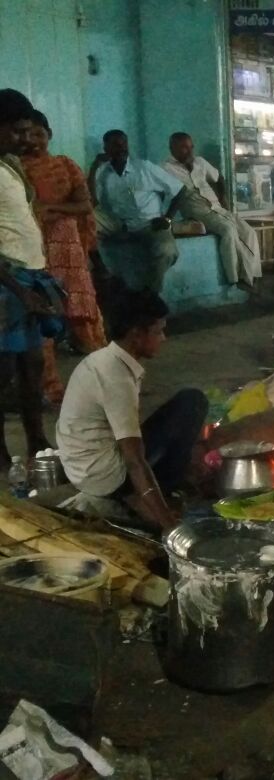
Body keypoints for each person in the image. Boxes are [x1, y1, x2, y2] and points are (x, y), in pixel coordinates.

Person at [57, 287, 205, 531]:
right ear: (136, 334)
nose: (164, 338)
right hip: (104, 479)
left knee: (186, 403)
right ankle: (158, 493)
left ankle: (157, 492)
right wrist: (169, 525)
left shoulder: (105, 359)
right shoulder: (116, 378)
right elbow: (134, 460)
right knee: (191, 403)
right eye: (158, 331)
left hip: (84, 467)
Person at [21, 110, 107, 405]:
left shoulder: (66, 165)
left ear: (50, 135)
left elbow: (84, 205)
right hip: (36, 254)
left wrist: (52, 210)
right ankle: (50, 389)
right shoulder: (15, 170)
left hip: (70, 253)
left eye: (39, 134)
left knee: (85, 317)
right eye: (27, 135)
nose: (33, 141)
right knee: (42, 320)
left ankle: (107, 381)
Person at [0, 89, 63, 468]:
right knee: (4, 370)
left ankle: (37, 439)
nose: (25, 139)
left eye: (28, 131)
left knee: (32, 365)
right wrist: (20, 291)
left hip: (27, 276)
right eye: (17, 131)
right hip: (8, 281)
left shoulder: (10, 164)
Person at [89, 129, 186, 293]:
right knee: (85, 222)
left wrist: (168, 218)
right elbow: (92, 202)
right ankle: (101, 269)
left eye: (124, 144)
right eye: (115, 145)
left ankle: (151, 294)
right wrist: (94, 168)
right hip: (117, 222)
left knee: (167, 251)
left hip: (148, 223)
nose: (121, 148)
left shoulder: (144, 167)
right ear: (106, 149)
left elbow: (180, 190)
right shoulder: (102, 172)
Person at [163, 132, 261, 289]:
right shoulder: (166, 169)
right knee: (228, 230)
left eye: (191, 147)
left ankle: (252, 276)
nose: (189, 151)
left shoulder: (200, 162)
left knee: (249, 232)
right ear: (172, 148)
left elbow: (218, 178)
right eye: (184, 148)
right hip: (198, 212)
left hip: (217, 208)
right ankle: (234, 279)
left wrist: (223, 198)